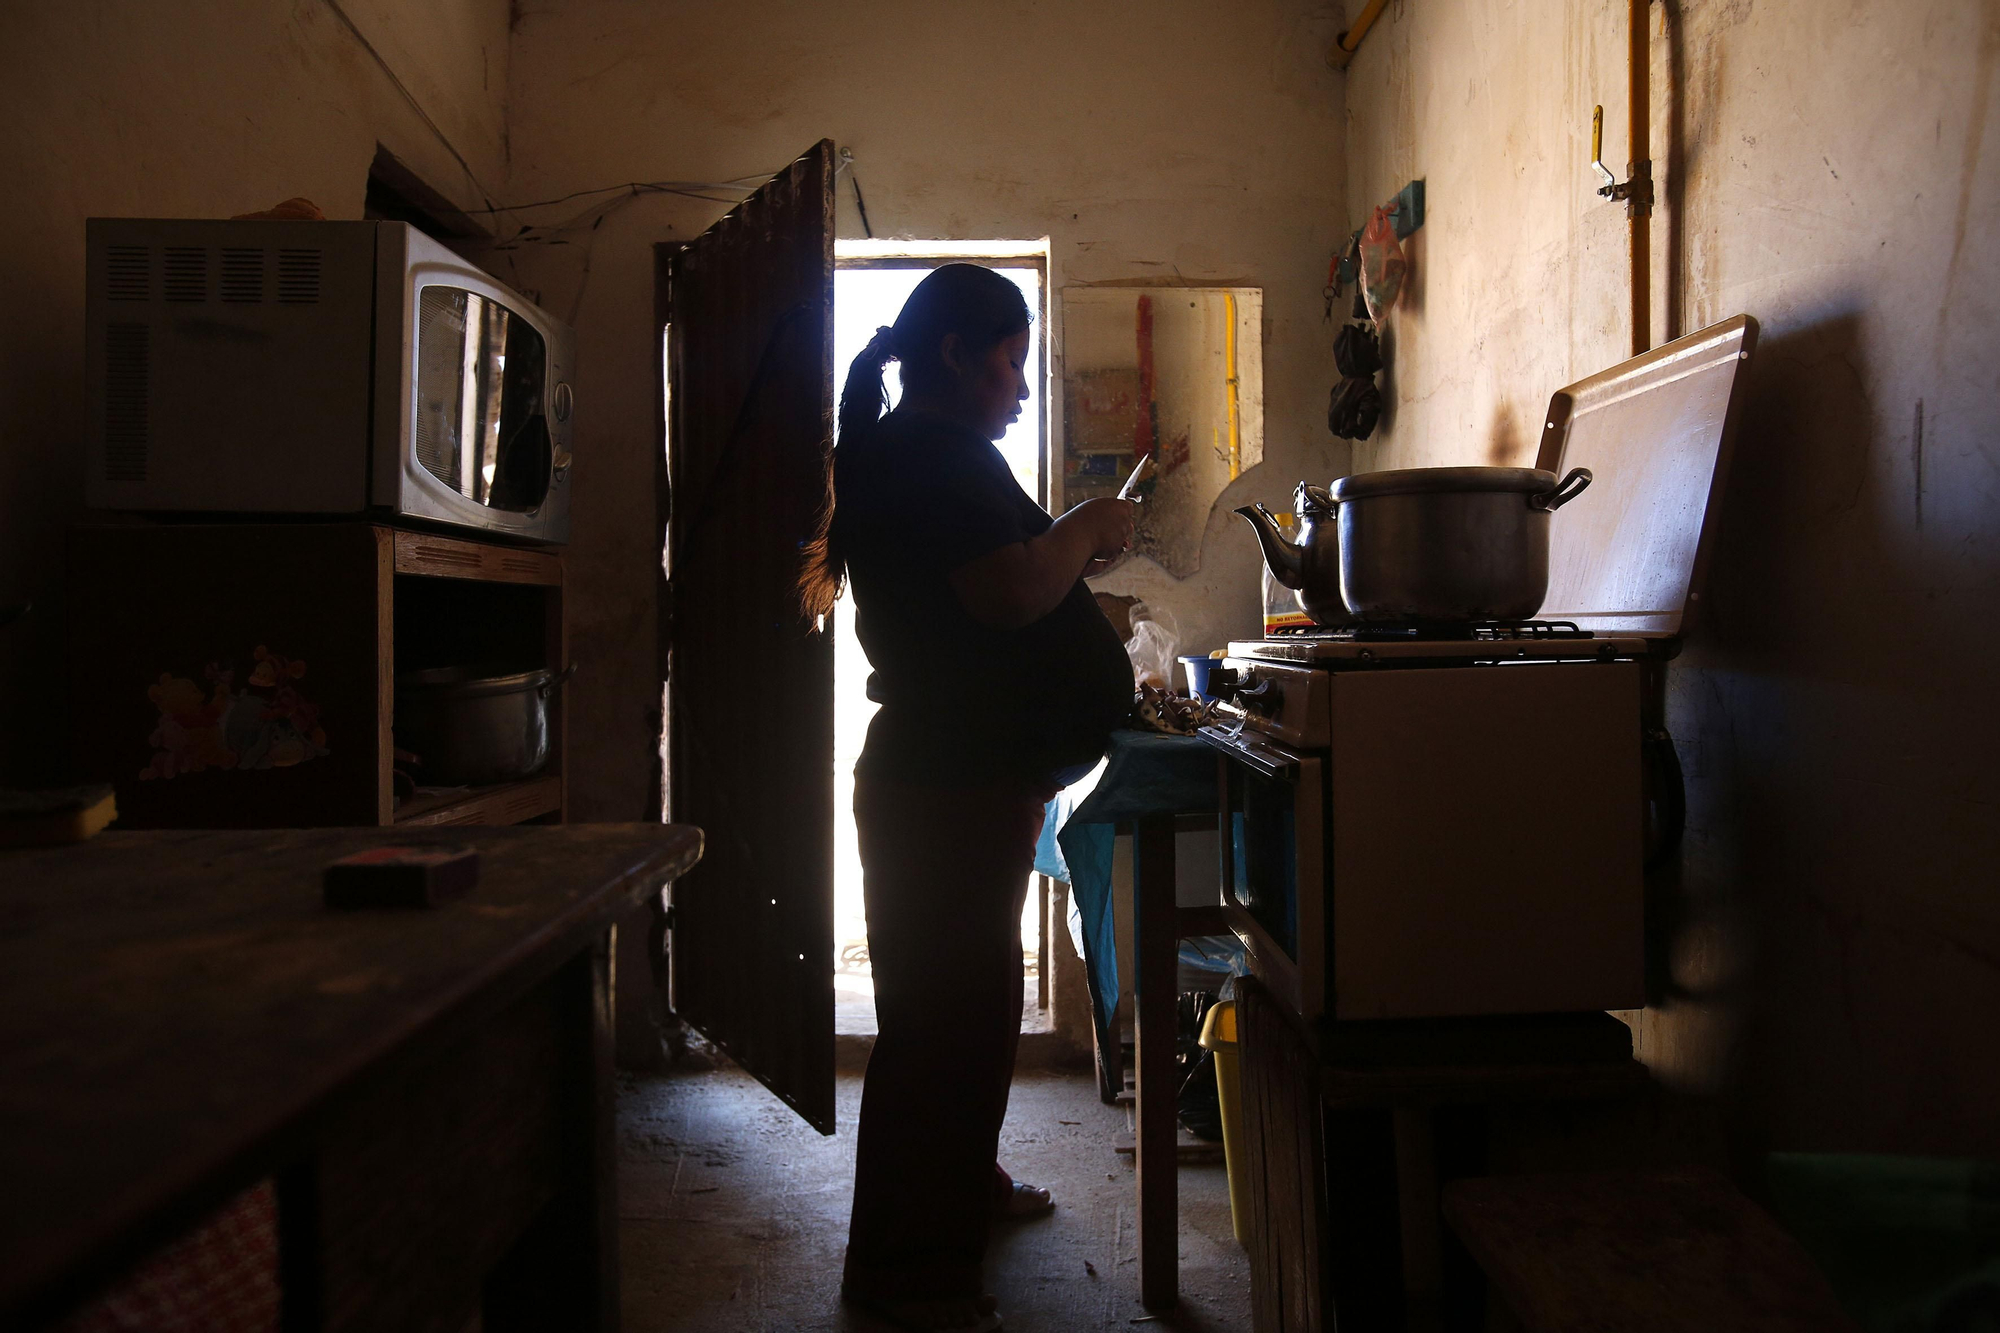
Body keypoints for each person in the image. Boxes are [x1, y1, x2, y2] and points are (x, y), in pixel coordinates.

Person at [799, 264, 1136, 1333]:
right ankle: (905, 1270)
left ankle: (961, 1193)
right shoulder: (924, 455)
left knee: (972, 1012)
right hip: (940, 789)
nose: (1020, 385)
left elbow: (1001, 600)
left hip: (962, 782)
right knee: (939, 1028)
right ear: (956, 353)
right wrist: (1085, 526)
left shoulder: (929, 456)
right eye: (1010, 359)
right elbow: (1005, 592)